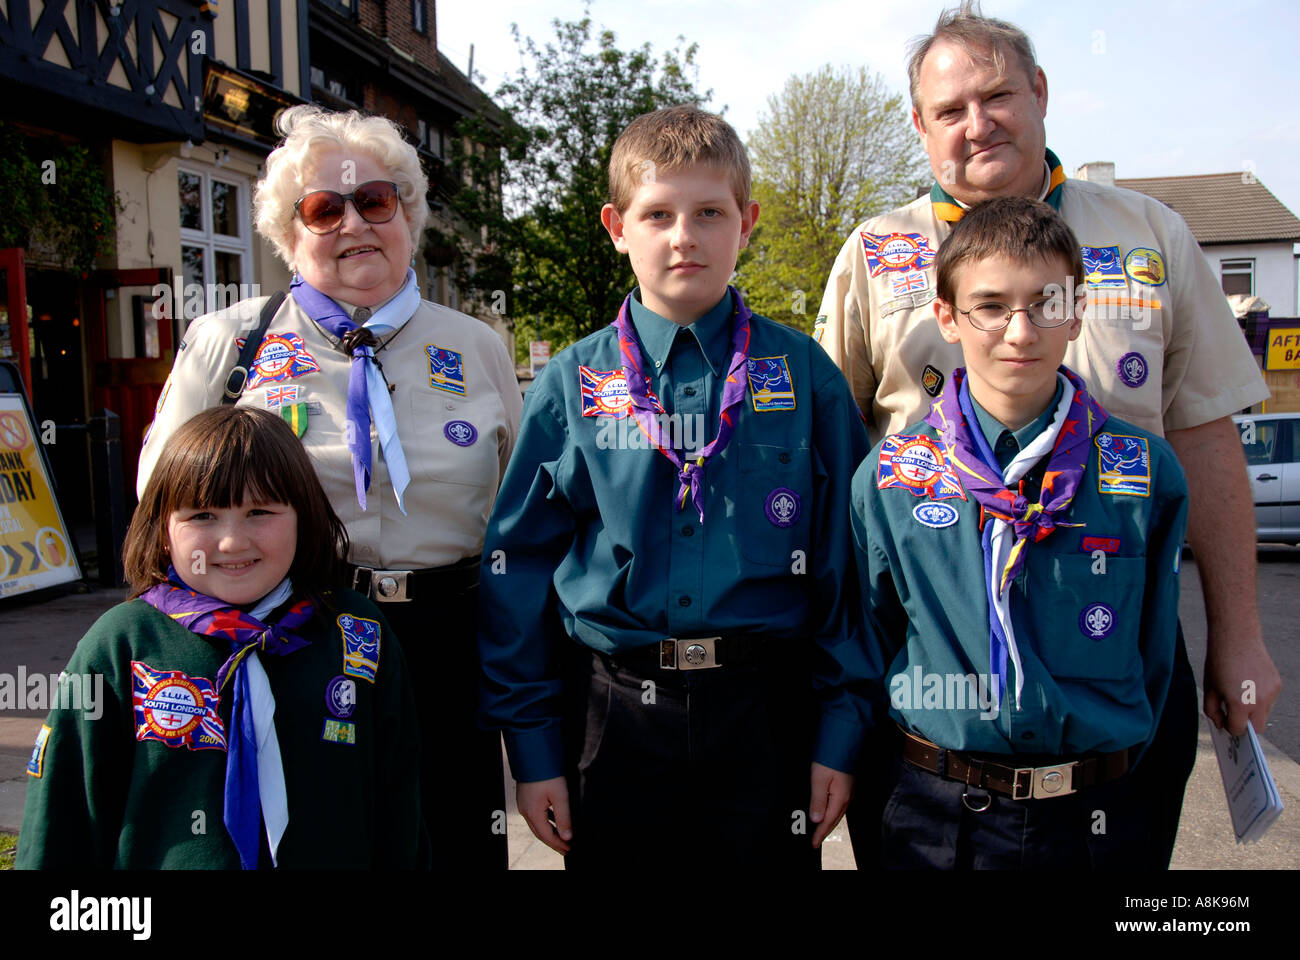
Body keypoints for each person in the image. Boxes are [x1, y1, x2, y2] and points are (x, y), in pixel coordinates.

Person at [817, 0, 1279, 867]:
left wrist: (1241, 637)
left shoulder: (1149, 235)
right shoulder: (873, 254)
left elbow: (1208, 441)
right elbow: (835, 460)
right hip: (935, 659)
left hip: (1114, 635)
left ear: (1040, 92)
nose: (977, 123)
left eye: (997, 96)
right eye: (949, 111)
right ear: (920, 127)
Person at [477, 105, 872, 870]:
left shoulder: (804, 378)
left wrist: (841, 733)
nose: (683, 235)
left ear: (747, 222)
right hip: (614, 713)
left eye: (709, 213)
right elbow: (516, 566)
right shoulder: (573, 382)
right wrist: (533, 749)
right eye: (657, 213)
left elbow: (847, 568)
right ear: (617, 226)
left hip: (764, 713)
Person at [137, 106, 521, 870]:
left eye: (376, 201)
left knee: (453, 843)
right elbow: (161, 511)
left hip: (448, 644)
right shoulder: (231, 341)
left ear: (407, 212)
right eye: (324, 209)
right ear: (290, 233)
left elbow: (521, 522)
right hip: (295, 638)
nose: (355, 224)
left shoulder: (477, 345)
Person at [852, 196, 1189, 867]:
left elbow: (1156, 661)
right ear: (946, 317)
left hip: (1095, 818)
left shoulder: (1145, 473)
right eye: (991, 306)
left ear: (1078, 311)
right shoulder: (890, 478)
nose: (1020, 331)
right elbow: (870, 646)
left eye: (1045, 303)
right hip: (934, 817)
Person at [18, 406, 424, 868]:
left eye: (260, 511)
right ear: (163, 527)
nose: (232, 542)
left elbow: (401, 807)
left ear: (303, 517)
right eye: (203, 515)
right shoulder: (120, 646)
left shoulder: (358, 634)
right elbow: (62, 818)